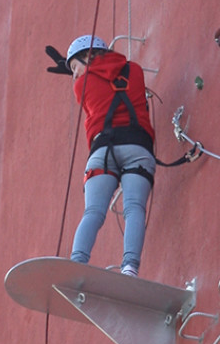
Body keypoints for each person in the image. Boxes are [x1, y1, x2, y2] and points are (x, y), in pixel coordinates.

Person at [64, 34, 156, 277]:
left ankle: (77, 263)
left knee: (93, 212)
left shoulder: (81, 86)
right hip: (138, 146)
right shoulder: (134, 70)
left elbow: (96, 103)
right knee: (135, 208)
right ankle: (130, 268)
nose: (74, 75)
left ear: (88, 56)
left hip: (102, 150)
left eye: (75, 67)